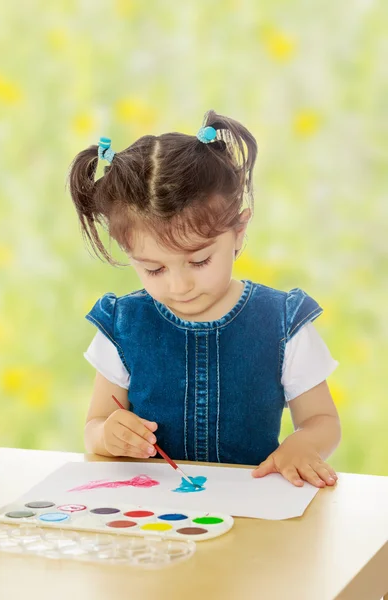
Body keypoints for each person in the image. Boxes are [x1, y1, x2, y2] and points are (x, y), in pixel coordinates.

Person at [68, 110, 341, 488]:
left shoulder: (282, 322)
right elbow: (94, 427)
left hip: (254, 510)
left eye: (199, 261)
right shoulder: (123, 325)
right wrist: (107, 434)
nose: (179, 287)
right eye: (154, 269)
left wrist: (302, 445)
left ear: (239, 231)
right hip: (154, 515)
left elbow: (322, 422)